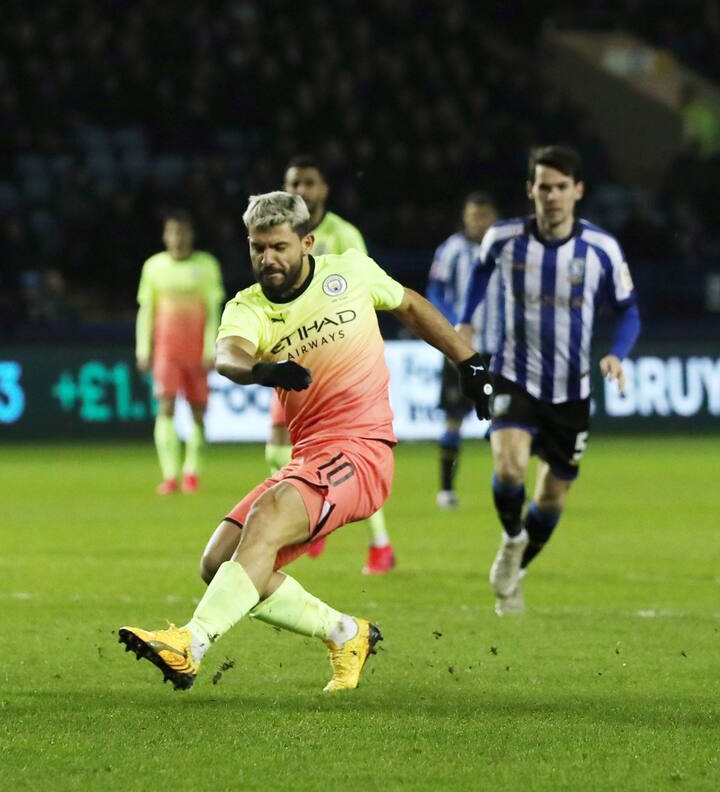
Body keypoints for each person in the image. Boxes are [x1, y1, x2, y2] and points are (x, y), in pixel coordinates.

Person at [118, 191, 492, 693]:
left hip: (362, 450)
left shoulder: (350, 273)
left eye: (278, 247)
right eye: (257, 249)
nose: (267, 259)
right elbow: (228, 354)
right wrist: (264, 369)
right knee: (217, 563)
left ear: (306, 242)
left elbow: (409, 305)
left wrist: (468, 361)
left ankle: (192, 642)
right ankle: (346, 633)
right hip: (311, 456)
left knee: (269, 515)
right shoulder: (248, 306)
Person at [457, 146, 640, 616]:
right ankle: (512, 537)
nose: (552, 196)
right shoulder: (503, 238)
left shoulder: (601, 249)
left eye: (561, 187)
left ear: (577, 191)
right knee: (508, 466)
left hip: (572, 389)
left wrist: (617, 355)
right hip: (515, 375)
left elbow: (628, 311)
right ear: (530, 190)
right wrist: (466, 321)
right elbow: (479, 275)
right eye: (544, 186)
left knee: (552, 496)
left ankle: (516, 568)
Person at [279, 154, 395, 572]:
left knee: (348, 456)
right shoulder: (279, 236)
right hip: (291, 361)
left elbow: (368, 291)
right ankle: (315, 520)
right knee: (283, 447)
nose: (301, 191)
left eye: (309, 183)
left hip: (338, 364)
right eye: (294, 183)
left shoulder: (344, 235)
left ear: (324, 189)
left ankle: (379, 545)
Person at [135, 211, 225, 494]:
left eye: (182, 231)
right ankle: (170, 475)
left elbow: (214, 312)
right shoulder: (154, 267)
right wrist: (143, 347)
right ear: (165, 236)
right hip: (167, 351)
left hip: (197, 350)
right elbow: (147, 310)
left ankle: (191, 472)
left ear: (191, 235)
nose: (178, 237)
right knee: (166, 407)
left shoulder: (207, 265)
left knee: (198, 412)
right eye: (172, 232)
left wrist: (212, 348)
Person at [427, 192, 501, 510]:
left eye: (484, 216)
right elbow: (434, 291)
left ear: (494, 218)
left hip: (501, 346)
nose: (478, 222)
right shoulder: (452, 250)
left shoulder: (506, 250)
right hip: (461, 348)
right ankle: (446, 490)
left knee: (507, 421)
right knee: (454, 420)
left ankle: (507, 487)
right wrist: (453, 326)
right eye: (473, 216)